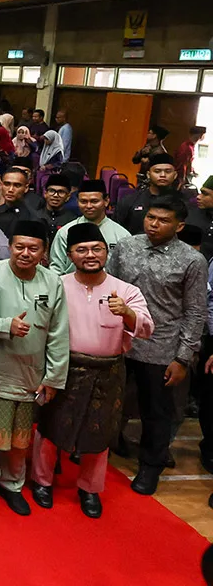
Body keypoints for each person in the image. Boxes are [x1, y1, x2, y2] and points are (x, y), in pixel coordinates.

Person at [31, 223, 153, 518]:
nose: (90, 255)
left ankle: (89, 489)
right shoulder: (57, 284)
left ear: (105, 252)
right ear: (70, 254)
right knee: (50, 428)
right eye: (82, 250)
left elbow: (147, 328)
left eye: (96, 249)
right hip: (65, 368)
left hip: (107, 372)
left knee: (99, 434)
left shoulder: (125, 290)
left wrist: (127, 312)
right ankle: (42, 481)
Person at [0, 221, 70, 515]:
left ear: (44, 252)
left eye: (33, 248)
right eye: (19, 246)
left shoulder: (53, 281)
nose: (25, 253)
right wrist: (6, 325)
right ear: (9, 247)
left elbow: (58, 333)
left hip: (30, 374)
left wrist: (54, 377)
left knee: (21, 438)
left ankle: (12, 484)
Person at [106, 194, 206, 494]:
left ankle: (151, 466)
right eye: (151, 218)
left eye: (163, 221)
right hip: (120, 340)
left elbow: (195, 311)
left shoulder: (192, 260)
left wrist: (183, 357)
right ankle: (107, 446)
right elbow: (109, 285)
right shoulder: (126, 247)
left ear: (179, 226)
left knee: (156, 412)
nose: (154, 225)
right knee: (111, 401)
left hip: (161, 348)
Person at [48, 179, 131, 274]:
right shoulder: (65, 232)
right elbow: (56, 270)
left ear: (106, 201)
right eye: (83, 201)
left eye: (94, 201)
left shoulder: (122, 235)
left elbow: (127, 272)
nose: (88, 206)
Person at [117, 154, 179, 234]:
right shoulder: (129, 201)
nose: (163, 175)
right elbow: (117, 230)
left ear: (175, 175)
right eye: (157, 171)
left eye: (168, 171)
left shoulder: (184, 202)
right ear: (148, 175)